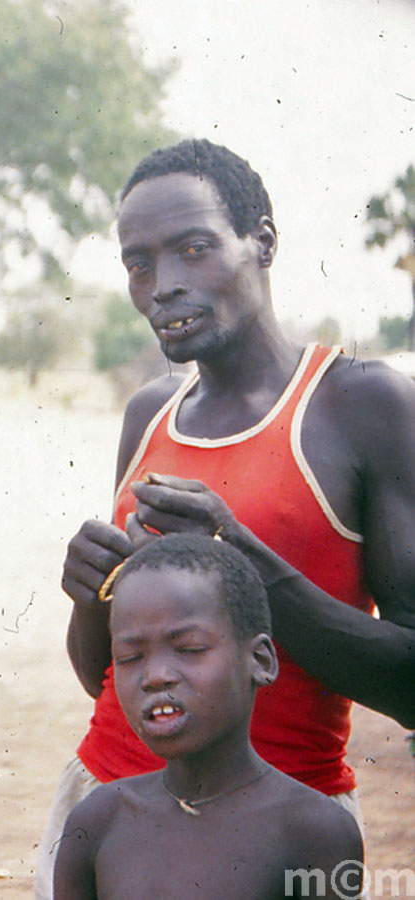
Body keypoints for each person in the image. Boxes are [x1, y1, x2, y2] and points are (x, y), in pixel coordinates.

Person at [36, 138, 415, 898]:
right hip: (111, 810)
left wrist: (243, 558)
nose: (162, 286)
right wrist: (92, 596)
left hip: (276, 833)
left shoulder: (361, 406)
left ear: (262, 242)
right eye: (138, 264)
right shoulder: (150, 415)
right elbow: (107, 677)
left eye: (194, 249)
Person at [53, 534, 363, 900]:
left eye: (190, 649)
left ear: (260, 661)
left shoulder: (315, 831)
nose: (155, 675)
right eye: (130, 657)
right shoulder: (97, 822)